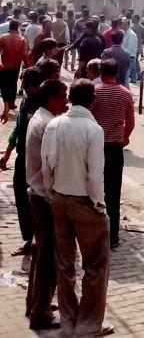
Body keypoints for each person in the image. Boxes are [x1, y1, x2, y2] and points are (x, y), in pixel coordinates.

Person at [41, 79, 113, 337]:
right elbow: (95, 175)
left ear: (69, 97)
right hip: (84, 202)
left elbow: (46, 165)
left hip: (60, 199)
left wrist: (52, 193)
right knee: (95, 265)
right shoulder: (93, 130)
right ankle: (89, 325)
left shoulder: (54, 124)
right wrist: (99, 203)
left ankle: (70, 319)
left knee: (64, 263)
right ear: (93, 100)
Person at [24, 79, 68, 330]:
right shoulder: (48, 124)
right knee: (48, 258)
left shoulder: (40, 119)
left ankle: (36, 303)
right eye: (63, 96)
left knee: (41, 254)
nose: (66, 101)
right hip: (45, 197)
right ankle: (40, 313)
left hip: (38, 194)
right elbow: (53, 165)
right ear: (51, 98)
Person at [91, 59, 135, 248]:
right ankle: (113, 237)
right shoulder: (125, 94)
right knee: (113, 193)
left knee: (93, 191)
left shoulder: (95, 92)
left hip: (96, 148)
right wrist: (125, 137)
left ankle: (94, 233)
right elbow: (131, 122)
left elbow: (89, 117)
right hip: (115, 148)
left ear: (101, 73)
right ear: (117, 73)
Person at [0, 68, 44, 256]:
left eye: (28, 87)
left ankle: (39, 240)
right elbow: (18, 129)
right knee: (21, 198)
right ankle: (29, 238)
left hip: (40, 161)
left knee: (37, 201)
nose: (25, 91)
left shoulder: (46, 103)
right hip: (23, 157)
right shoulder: (26, 100)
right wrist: (7, 153)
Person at [0, 19, 29, 117]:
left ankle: (6, 105)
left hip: (4, 65)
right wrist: (28, 65)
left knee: (5, 85)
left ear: (9, 27)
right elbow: (25, 55)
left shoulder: (3, 38)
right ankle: (12, 102)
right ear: (17, 27)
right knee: (13, 83)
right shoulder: (22, 39)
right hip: (16, 65)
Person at [121, 19, 139, 84]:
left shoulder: (131, 35)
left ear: (128, 25)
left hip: (130, 58)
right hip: (125, 57)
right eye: (122, 24)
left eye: (124, 24)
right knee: (124, 78)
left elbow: (130, 49)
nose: (122, 25)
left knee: (125, 78)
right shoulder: (124, 33)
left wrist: (121, 52)